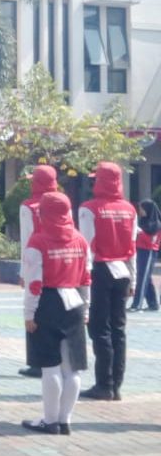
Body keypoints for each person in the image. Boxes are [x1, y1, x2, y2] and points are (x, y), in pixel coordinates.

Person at [20, 192, 91, 435]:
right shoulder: (80, 241)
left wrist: (29, 314)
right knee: (72, 368)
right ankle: (65, 420)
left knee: (50, 366)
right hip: (75, 303)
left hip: (47, 303)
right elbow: (86, 278)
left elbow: (34, 284)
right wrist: (87, 308)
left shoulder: (37, 242)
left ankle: (49, 421)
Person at [79, 161, 138, 401]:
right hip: (123, 271)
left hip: (100, 271)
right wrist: (133, 280)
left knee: (99, 328)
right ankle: (116, 385)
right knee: (119, 329)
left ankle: (104, 384)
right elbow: (132, 248)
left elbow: (86, 247)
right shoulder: (130, 209)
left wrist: (83, 280)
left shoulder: (89, 209)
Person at [18, 165, 58, 379]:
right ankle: (52, 361)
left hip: (36, 261)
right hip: (58, 264)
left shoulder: (29, 206)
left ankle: (36, 363)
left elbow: (26, 239)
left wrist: (24, 272)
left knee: (32, 310)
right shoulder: (63, 203)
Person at [130, 199, 161, 311]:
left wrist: (140, 233)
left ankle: (137, 304)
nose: (141, 211)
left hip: (149, 252)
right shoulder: (143, 221)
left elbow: (152, 240)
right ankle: (153, 303)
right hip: (140, 250)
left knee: (142, 278)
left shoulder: (156, 224)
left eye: (142, 208)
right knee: (146, 278)